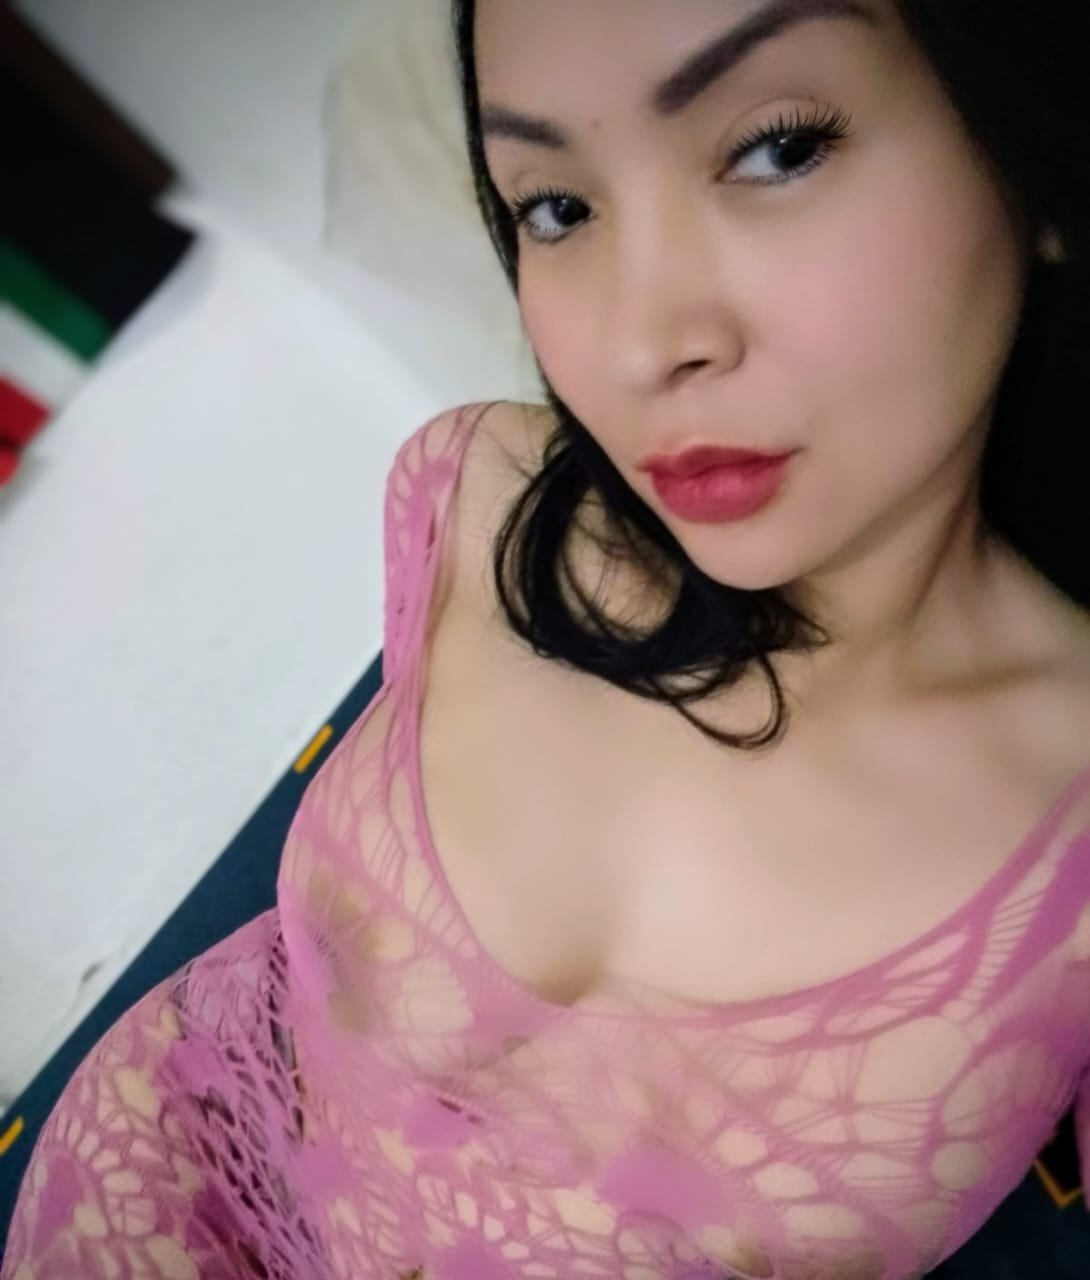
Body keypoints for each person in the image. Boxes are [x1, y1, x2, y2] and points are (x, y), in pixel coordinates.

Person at [4, 1, 1090, 1276]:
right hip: (169, 1184)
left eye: (778, 148)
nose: (637, 345)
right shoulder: (476, 490)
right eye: (556, 208)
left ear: (1028, 149)